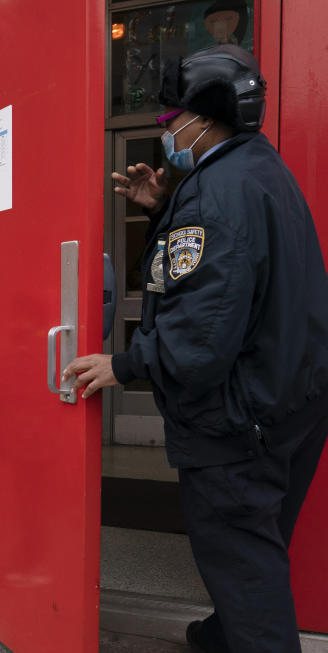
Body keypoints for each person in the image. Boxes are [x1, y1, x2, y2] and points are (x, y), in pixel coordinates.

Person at [63, 45, 328, 653]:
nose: (166, 131)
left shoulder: (214, 194)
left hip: (239, 419)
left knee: (240, 557)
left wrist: (125, 363)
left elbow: (203, 334)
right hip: (288, 400)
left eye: (169, 118)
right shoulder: (259, 170)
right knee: (252, 548)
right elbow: (233, 277)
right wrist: (162, 210)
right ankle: (222, 636)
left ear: (203, 118)